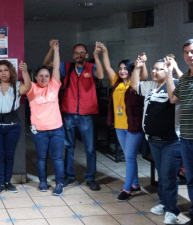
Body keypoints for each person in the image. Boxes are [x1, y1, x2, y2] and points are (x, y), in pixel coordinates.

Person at [43, 40, 104, 190]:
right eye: (76, 53)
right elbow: (46, 62)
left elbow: (101, 75)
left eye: (82, 52)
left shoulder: (92, 67)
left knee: (90, 148)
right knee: (68, 146)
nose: (79, 55)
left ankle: (90, 177)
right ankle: (69, 175)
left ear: (86, 55)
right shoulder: (67, 67)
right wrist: (52, 49)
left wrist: (97, 56)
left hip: (86, 115)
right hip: (69, 113)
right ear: (73, 55)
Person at [131, 56, 182, 224]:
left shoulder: (174, 84)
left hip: (171, 141)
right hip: (153, 140)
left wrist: (171, 73)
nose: (153, 71)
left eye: (158, 68)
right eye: (153, 68)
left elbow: (177, 97)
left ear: (167, 69)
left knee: (169, 177)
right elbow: (134, 85)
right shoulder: (152, 86)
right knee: (162, 174)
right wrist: (138, 68)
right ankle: (164, 203)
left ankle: (172, 210)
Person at [99, 42, 147, 201]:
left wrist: (142, 64)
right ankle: (135, 184)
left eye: (125, 68)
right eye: (120, 68)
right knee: (129, 155)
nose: (122, 71)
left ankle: (127, 190)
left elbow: (144, 77)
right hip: (119, 126)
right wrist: (104, 51)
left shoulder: (135, 84)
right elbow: (107, 67)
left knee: (130, 158)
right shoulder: (117, 83)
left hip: (133, 127)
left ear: (131, 70)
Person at [0, 60, 31, 195]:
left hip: (13, 126)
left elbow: (28, 87)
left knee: (9, 155)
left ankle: (8, 182)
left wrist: (25, 71)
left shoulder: (17, 86)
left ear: (10, 71)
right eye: (0, 71)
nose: (3, 73)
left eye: (6, 70)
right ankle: (0, 183)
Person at [27, 41, 65, 195]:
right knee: (41, 157)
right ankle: (42, 181)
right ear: (36, 77)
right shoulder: (31, 88)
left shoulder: (54, 86)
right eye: (41, 75)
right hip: (39, 131)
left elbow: (55, 67)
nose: (44, 78)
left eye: (46, 76)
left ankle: (59, 183)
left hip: (56, 129)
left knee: (57, 158)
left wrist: (55, 50)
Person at [166, 39, 193, 225]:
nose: (189, 55)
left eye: (192, 51)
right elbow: (173, 99)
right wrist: (170, 72)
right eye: (186, 52)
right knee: (190, 179)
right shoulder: (184, 78)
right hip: (186, 137)